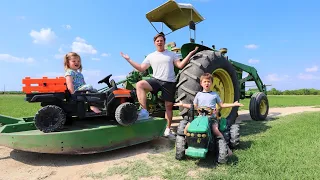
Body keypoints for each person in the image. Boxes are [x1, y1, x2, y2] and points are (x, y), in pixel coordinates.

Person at [120, 32, 198, 138]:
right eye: (157, 41)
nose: (159, 42)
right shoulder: (151, 56)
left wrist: (190, 54)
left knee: (168, 107)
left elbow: (179, 65)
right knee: (140, 84)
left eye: (161, 40)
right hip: (156, 81)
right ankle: (144, 112)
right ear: (154, 43)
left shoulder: (172, 54)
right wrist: (129, 60)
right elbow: (141, 68)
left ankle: (167, 129)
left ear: (164, 42)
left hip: (169, 82)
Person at [174, 73, 244, 156]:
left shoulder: (214, 94)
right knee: (187, 127)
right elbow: (194, 106)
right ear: (201, 83)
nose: (207, 83)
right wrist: (182, 105)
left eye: (209, 82)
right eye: (205, 82)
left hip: (212, 118)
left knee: (216, 130)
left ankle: (226, 147)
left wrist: (234, 104)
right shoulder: (199, 95)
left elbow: (222, 105)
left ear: (211, 83)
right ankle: (186, 141)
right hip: (200, 117)